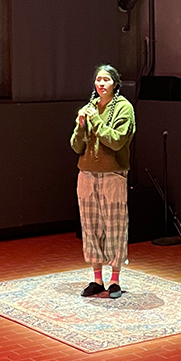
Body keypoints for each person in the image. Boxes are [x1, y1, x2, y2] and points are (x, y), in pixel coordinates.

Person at [71, 65, 135, 298]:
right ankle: (96, 278)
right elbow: (76, 146)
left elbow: (116, 141)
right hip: (86, 175)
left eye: (106, 80)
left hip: (112, 176)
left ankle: (115, 279)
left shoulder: (123, 108)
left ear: (115, 84)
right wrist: (80, 126)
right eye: (98, 79)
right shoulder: (90, 108)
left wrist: (96, 119)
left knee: (114, 227)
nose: (101, 84)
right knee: (91, 227)